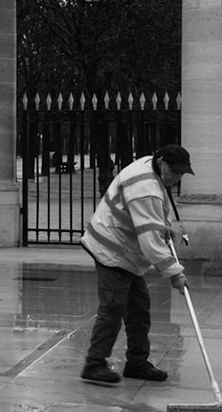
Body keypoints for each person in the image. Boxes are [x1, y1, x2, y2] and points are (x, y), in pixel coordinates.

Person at [80, 143, 189, 385]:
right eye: (175, 171)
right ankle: (94, 364)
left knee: (139, 309)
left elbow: (158, 213)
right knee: (113, 308)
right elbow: (150, 241)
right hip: (111, 249)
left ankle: (137, 363)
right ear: (161, 163)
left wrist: (167, 226)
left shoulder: (154, 171)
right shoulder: (144, 186)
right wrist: (175, 273)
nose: (177, 177)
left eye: (182, 173)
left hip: (124, 251)